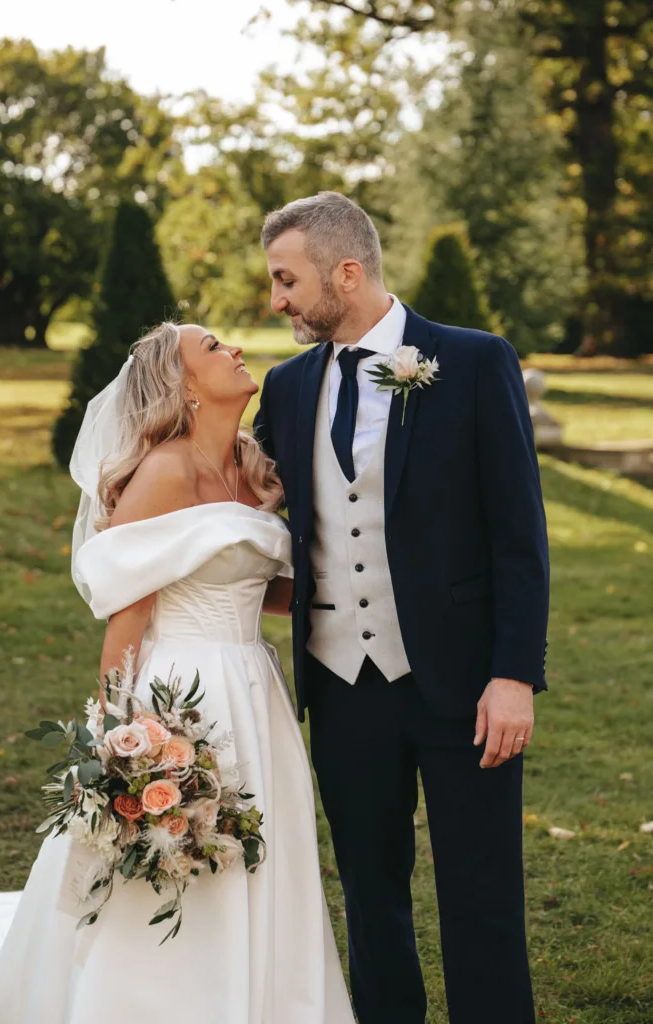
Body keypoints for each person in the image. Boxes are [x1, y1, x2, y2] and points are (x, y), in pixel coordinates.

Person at [0, 322, 354, 1024]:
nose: (234, 350)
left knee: (257, 858)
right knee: (170, 857)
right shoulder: (165, 472)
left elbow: (259, 590)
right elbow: (127, 618)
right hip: (180, 694)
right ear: (182, 385)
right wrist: (127, 745)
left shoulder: (252, 465)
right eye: (212, 347)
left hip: (254, 692)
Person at [254, 191, 550, 1024]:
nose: (276, 300)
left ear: (346, 273)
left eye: (287, 280)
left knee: (480, 895)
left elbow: (518, 538)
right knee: (369, 896)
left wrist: (512, 676)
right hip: (342, 682)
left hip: (462, 684)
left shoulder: (474, 360)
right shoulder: (285, 386)